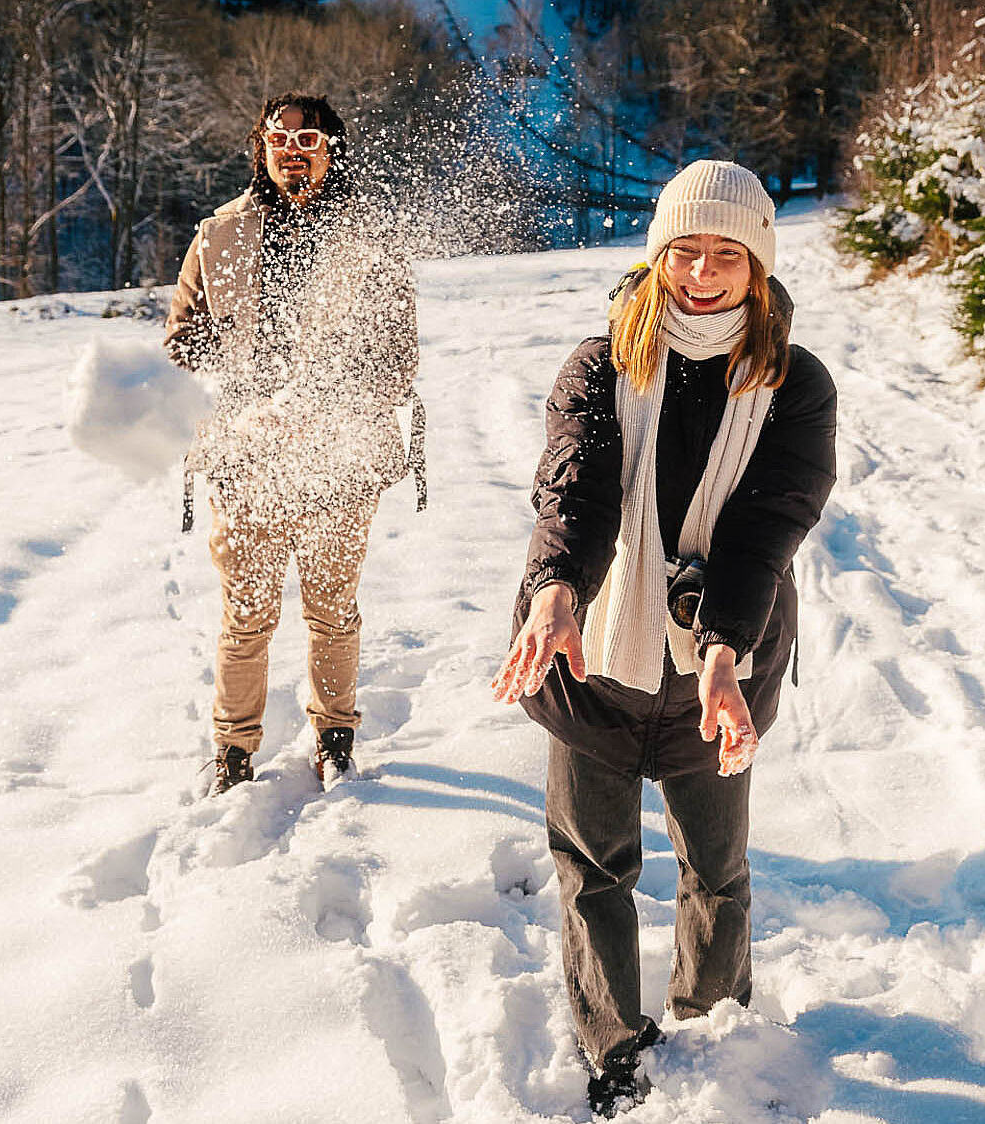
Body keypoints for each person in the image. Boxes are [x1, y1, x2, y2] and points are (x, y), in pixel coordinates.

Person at [492, 161, 836, 1117]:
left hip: (720, 666)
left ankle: (716, 1023)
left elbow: (768, 523)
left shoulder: (795, 384)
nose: (701, 270)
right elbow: (574, 493)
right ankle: (611, 1045)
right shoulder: (600, 362)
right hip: (588, 649)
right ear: (657, 255)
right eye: (685, 249)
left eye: (728, 252)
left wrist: (724, 645)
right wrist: (557, 590)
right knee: (595, 866)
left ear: (758, 264)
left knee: (715, 870)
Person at [164, 92, 421, 797]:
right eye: (278, 139)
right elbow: (181, 341)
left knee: (332, 610)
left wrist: (328, 400)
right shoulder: (218, 236)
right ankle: (232, 752)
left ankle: (336, 739)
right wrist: (239, 383)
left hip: (338, 463)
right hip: (246, 463)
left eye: (308, 139)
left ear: (333, 151)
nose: (292, 150)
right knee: (245, 617)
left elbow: (398, 360)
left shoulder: (370, 243)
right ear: (261, 149)